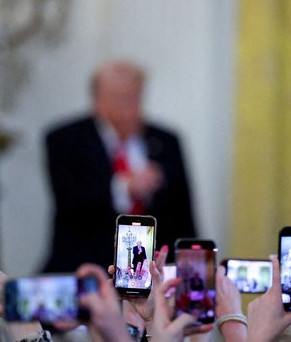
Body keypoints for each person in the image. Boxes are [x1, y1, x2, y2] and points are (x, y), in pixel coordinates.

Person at [43, 60, 196, 271]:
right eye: (120, 99)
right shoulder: (65, 140)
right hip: (87, 270)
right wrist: (125, 188)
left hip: (153, 271)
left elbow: (184, 217)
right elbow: (70, 200)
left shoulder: (166, 141)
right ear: (97, 101)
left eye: (135, 97)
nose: (130, 108)